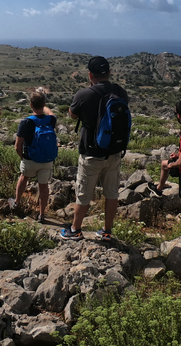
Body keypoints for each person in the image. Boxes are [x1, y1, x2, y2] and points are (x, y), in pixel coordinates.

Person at [60, 56, 128, 241]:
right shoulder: (120, 92)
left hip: (91, 152)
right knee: (111, 193)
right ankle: (107, 231)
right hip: (114, 152)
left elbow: (73, 115)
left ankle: (75, 230)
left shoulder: (84, 94)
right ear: (109, 73)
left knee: (83, 194)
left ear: (90, 74)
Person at [9, 91, 57, 223]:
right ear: (44, 104)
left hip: (30, 159)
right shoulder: (51, 120)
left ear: (30, 105)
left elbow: (17, 146)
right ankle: (41, 214)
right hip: (47, 160)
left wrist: (22, 157)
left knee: (23, 177)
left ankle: (16, 203)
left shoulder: (26, 122)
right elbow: (51, 113)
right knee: (43, 186)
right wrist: (44, 106)